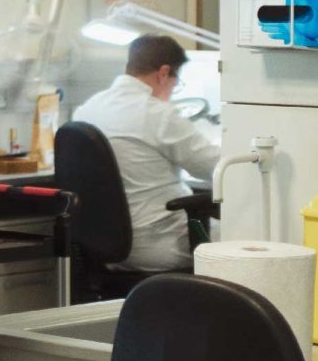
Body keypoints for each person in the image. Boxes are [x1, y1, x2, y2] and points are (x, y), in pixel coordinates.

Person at [69, 34, 221, 272]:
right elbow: (215, 167)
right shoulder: (158, 115)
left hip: (102, 246)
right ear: (163, 73)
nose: (173, 89)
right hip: (161, 245)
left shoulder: (86, 110)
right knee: (242, 239)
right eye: (175, 81)